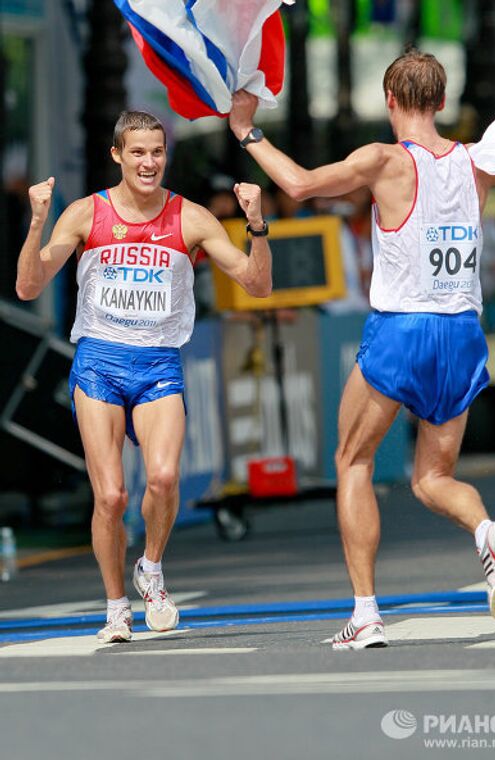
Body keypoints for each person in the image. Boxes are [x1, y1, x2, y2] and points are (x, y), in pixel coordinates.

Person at [228, 49, 495, 650]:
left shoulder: (383, 159)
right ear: (441, 103)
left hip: (403, 328)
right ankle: (487, 531)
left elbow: (299, 184)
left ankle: (365, 614)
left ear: (390, 101)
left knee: (353, 462)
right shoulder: (479, 161)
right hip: (463, 333)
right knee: (433, 477)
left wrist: (246, 130)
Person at [16, 110, 272, 643]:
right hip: (100, 363)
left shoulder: (191, 218)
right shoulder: (88, 214)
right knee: (110, 497)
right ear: (118, 155)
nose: (149, 162)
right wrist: (38, 220)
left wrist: (255, 226)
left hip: (158, 363)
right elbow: (29, 287)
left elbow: (257, 285)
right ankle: (115, 607)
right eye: (138, 152)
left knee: (163, 479)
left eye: (156, 151)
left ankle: (151, 568)